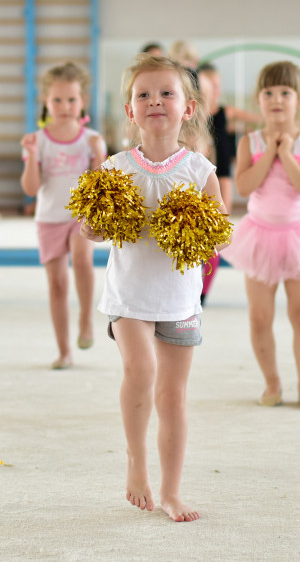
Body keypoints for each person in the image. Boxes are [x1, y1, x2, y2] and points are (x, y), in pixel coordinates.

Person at [83, 53, 225, 523]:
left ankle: (171, 490)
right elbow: (93, 225)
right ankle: (135, 460)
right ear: (130, 111)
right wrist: (92, 227)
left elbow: (220, 229)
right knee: (140, 370)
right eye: (143, 94)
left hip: (180, 299)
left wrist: (202, 227)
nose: (155, 101)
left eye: (167, 93)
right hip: (129, 296)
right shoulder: (117, 166)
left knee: (173, 396)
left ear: (188, 108)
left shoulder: (200, 169)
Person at [220, 61, 300, 409]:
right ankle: (272, 384)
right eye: (269, 93)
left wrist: (287, 154)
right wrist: (270, 152)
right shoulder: (249, 141)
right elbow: (244, 185)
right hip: (260, 236)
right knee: (260, 316)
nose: (277, 99)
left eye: (285, 93)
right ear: (257, 100)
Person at [20, 62, 106, 369]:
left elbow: (100, 185)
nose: (65, 106)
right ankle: (64, 350)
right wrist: (30, 156)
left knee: (82, 260)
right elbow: (31, 189)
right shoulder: (38, 140)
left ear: (82, 101)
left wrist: (99, 156)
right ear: (46, 101)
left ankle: (85, 318)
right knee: (56, 284)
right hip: (48, 218)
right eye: (57, 100)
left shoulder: (91, 138)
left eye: (71, 100)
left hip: (79, 215)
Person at [196, 63, 260, 304]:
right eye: (211, 85)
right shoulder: (192, 114)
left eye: (217, 85)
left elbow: (255, 118)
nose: (216, 90)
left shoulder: (224, 112)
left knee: (218, 233)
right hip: (200, 172)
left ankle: (203, 291)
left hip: (221, 174)